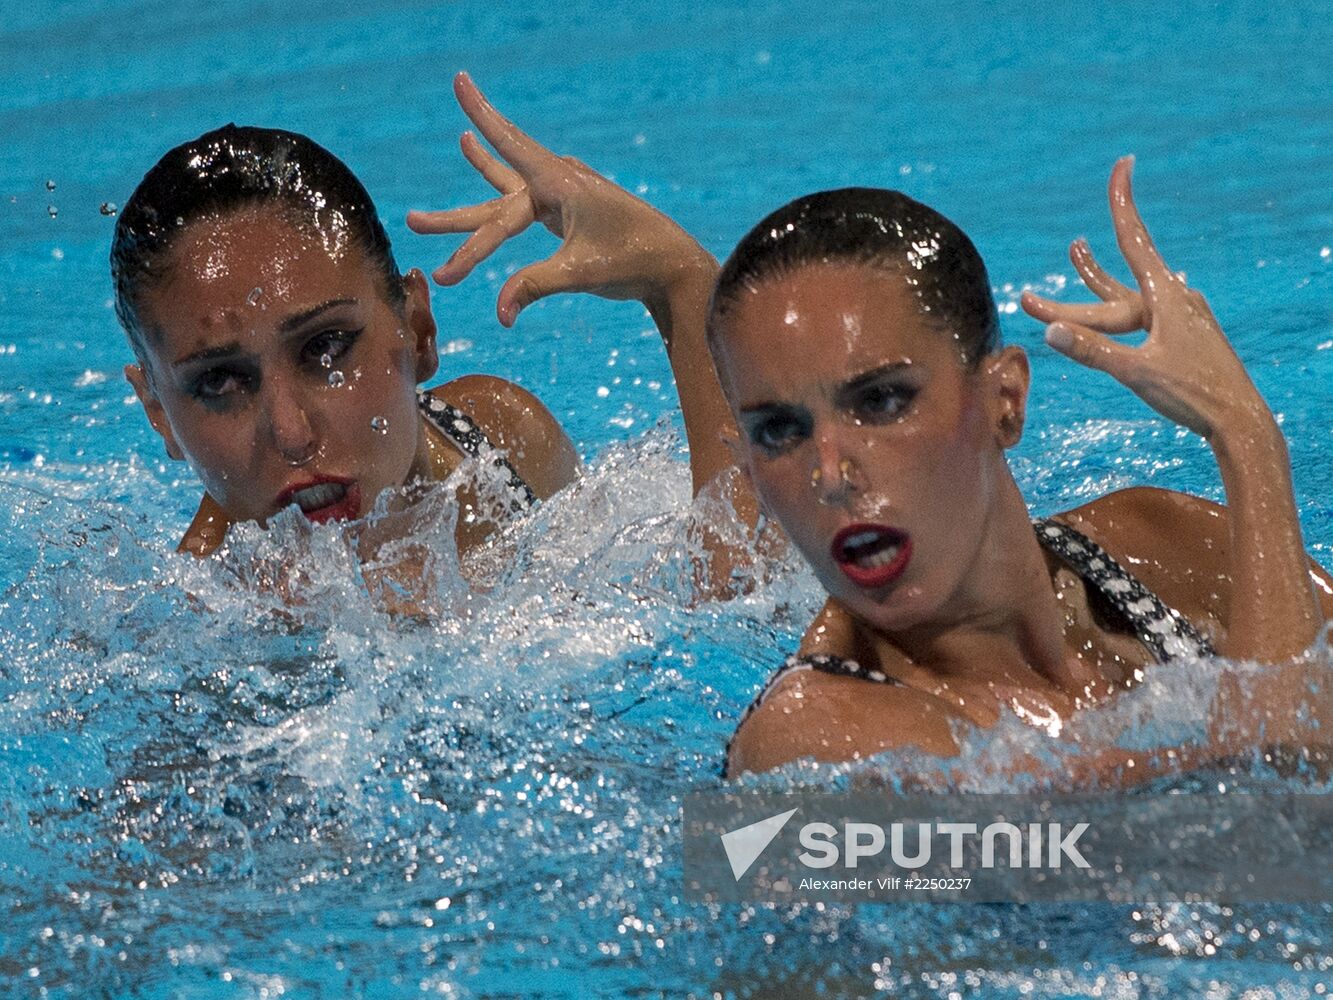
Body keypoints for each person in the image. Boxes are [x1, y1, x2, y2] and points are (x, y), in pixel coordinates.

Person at [709, 159, 1332, 777]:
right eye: (779, 430)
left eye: (880, 400)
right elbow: (1282, 800)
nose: (832, 473)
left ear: (1003, 402)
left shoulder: (1165, 544)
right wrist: (1247, 438)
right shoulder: (814, 740)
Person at [111, 74, 731, 570]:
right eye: (219, 381)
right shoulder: (204, 637)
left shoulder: (500, 440)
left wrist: (676, 279)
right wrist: (683, 283)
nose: (292, 432)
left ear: (417, 331)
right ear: (159, 412)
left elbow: (741, 599)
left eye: (325, 347)